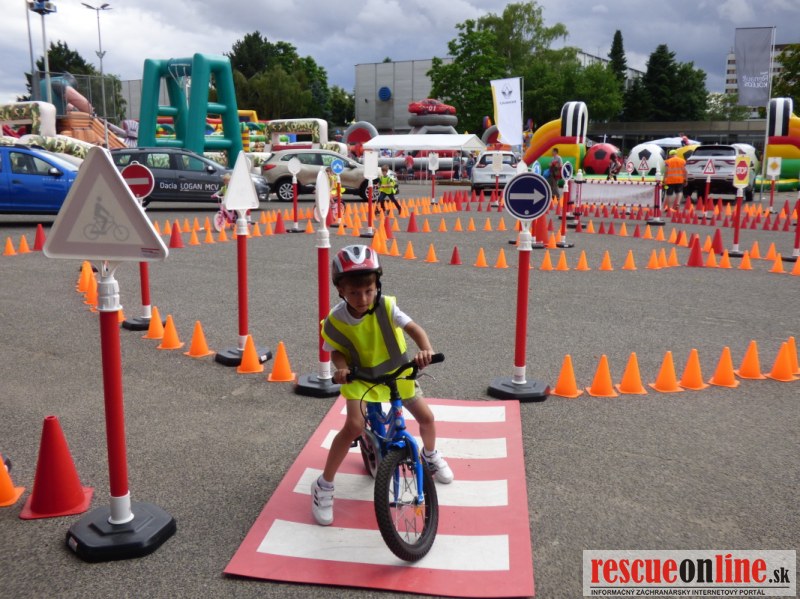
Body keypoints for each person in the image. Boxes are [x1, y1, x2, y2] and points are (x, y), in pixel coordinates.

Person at [311, 245, 453, 526]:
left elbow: (414, 328)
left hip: (397, 373)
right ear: (340, 290)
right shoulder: (336, 320)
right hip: (360, 378)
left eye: (369, 290)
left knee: (426, 418)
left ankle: (430, 455)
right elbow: (335, 350)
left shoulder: (387, 306)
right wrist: (341, 369)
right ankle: (324, 485)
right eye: (354, 293)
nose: (363, 298)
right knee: (354, 425)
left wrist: (425, 349)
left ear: (378, 285)